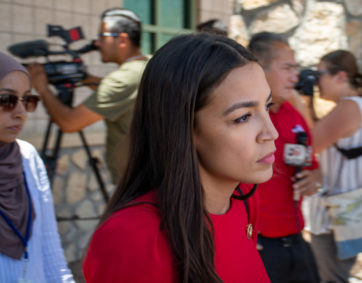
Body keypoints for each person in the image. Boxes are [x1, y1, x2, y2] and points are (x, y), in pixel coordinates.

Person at [83, 33, 278, 282]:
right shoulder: (133, 236)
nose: (271, 132)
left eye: (268, 107)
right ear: (184, 128)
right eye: (243, 117)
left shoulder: (244, 199)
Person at [27, 7, 148, 184]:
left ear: (122, 40)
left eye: (102, 36)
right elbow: (122, 95)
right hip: (150, 176)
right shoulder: (148, 66)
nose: (97, 43)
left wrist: (42, 88)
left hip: (134, 184)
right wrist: (85, 78)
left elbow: (69, 123)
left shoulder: (122, 79)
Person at [248, 32, 321, 283]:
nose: (295, 76)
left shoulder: (296, 116)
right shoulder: (241, 119)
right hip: (257, 244)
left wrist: (313, 179)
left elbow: (313, 166)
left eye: (296, 68)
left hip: (296, 238)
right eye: (287, 68)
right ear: (260, 69)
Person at [303, 50, 362, 282]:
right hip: (355, 211)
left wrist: (303, 101)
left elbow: (310, 143)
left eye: (320, 74)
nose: (317, 82)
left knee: (332, 278)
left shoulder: (349, 107)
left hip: (335, 218)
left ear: (340, 77)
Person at [0, 51, 74, 282]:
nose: (21, 113)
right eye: (6, 100)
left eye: (27, 100)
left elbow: (50, 251)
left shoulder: (27, 157)